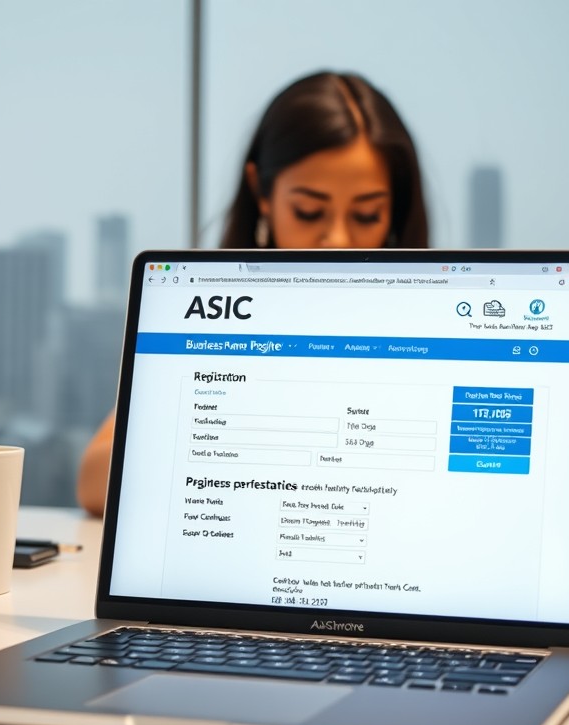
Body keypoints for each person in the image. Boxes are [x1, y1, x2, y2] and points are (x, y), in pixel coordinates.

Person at [77, 71, 429, 516]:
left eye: (366, 215)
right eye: (309, 211)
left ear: (394, 212)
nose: (337, 239)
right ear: (262, 192)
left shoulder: (431, 328)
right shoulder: (218, 312)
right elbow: (92, 481)